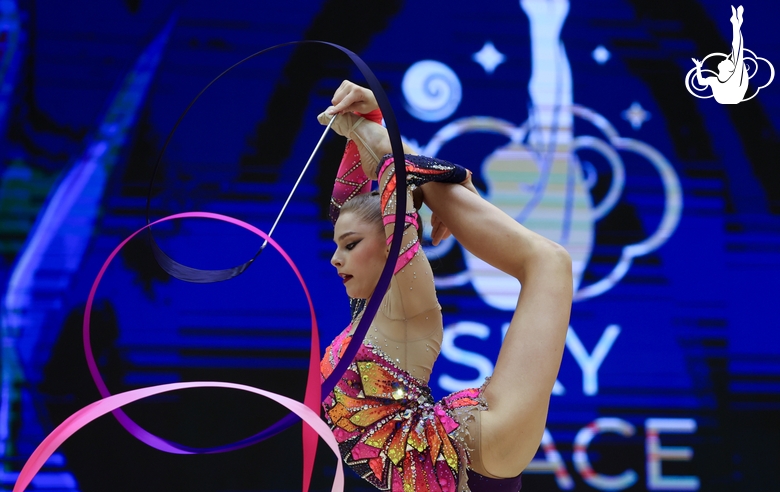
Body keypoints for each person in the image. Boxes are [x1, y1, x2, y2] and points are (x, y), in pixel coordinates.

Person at [319, 80, 572, 492]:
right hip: (439, 462)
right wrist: (359, 122)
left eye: (350, 245)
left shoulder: (400, 299)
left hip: (467, 449)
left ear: (391, 240)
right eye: (337, 246)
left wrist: (451, 175)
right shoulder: (364, 317)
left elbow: (394, 177)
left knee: (550, 263)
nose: (335, 258)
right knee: (549, 263)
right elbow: (348, 203)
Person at [692, 5, 748, 104]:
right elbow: (701, 82)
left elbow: (737, 47)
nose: (724, 59)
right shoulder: (715, 80)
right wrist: (698, 67)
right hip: (728, 97)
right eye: (725, 60)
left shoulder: (733, 77)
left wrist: (736, 26)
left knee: (737, 54)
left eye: (725, 61)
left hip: (733, 96)